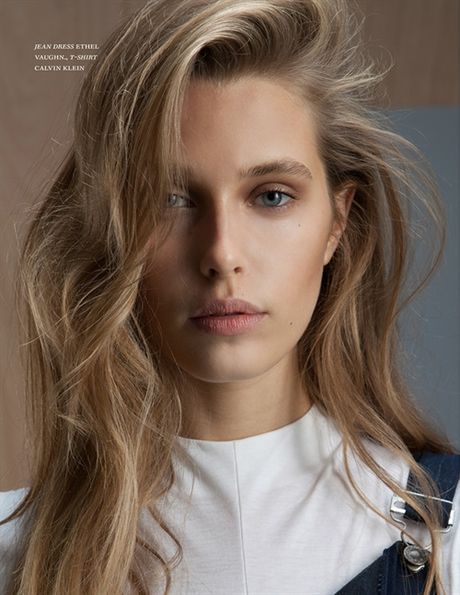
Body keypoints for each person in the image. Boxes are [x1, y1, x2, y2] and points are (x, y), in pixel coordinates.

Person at [0, 0, 458, 593]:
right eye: (170, 198)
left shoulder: (450, 538)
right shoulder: (16, 557)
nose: (221, 253)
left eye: (272, 196)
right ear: (113, 230)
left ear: (338, 222)